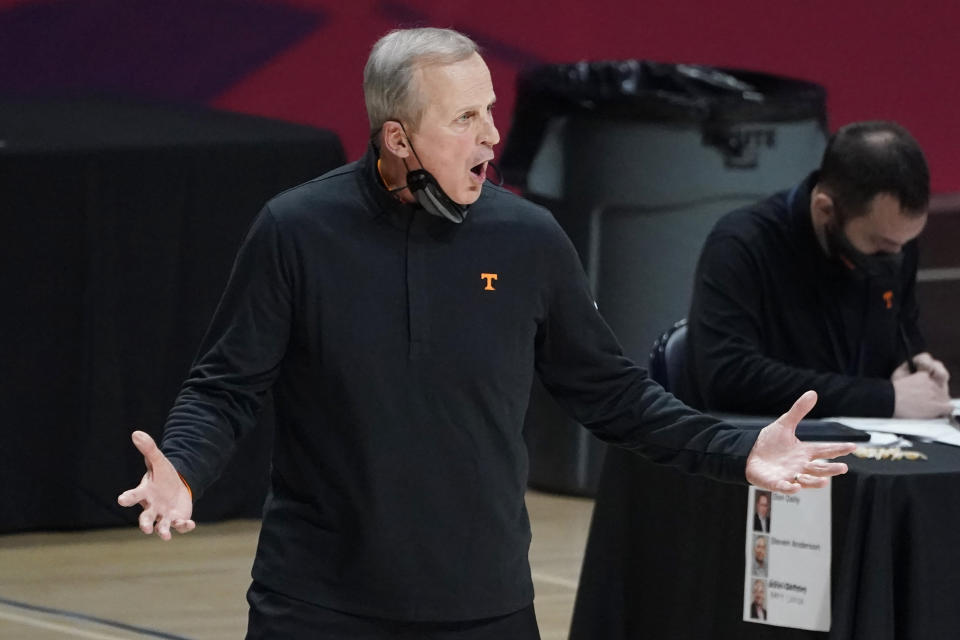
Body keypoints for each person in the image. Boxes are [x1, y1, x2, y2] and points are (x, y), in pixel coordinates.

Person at [117, 28, 855, 639]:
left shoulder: (528, 241)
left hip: (484, 605)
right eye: (464, 118)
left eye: (491, 110)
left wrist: (738, 447)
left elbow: (614, 394)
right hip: (317, 603)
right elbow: (227, 386)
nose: (492, 135)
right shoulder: (296, 231)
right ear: (398, 138)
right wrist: (182, 467)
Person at [686, 121, 952, 419]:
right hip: (769, 445)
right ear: (826, 209)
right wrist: (882, 399)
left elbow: (902, 327)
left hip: (875, 443)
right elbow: (729, 377)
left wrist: (912, 364)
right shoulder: (742, 245)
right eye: (880, 245)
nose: (895, 257)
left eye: (905, 242)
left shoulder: (893, 242)